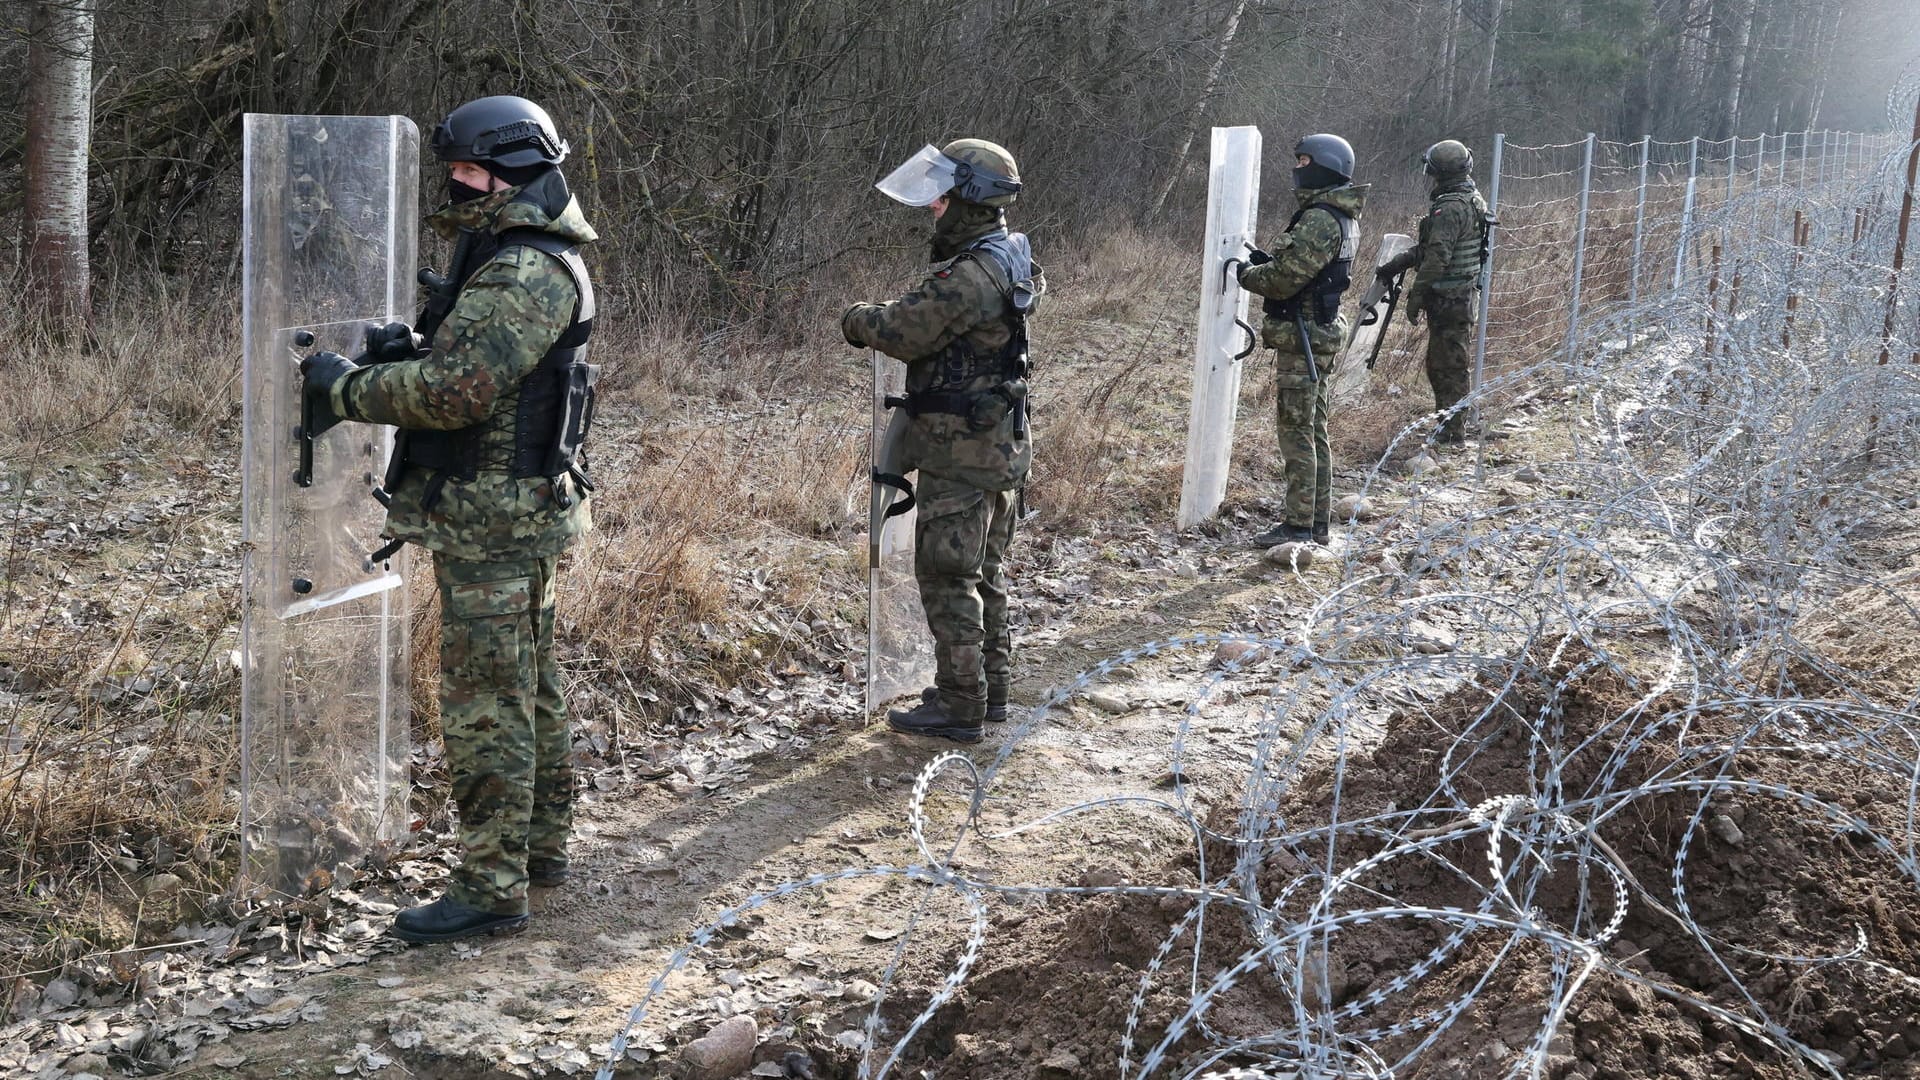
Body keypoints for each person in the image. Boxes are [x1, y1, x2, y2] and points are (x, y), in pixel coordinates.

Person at [298, 95, 599, 943]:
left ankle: (491, 886)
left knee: (487, 703)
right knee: (529, 685)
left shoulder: (525, 268)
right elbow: (474, 369)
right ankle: (537, 851)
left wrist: (345, 390)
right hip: (512, 512)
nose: (458, 186)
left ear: (512, 172)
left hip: (494, 520)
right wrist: (413, 349)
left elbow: (454, 395)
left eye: (469, 172)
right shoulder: (519, 254)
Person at [842, 139, 1044, 743]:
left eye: (944, 196)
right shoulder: (1009, 254)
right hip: (996, 443)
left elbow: (904, 331)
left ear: (971, 198)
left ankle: (961, 704)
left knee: (948, 573)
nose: (934, 207)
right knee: (985, 570)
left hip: (963, 450)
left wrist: (856, 317)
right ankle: (990, 690)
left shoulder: (973, 273)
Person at [1235, 134, 1368, 548]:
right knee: (1314, 429)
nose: (1298, 167)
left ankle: (1299, 524)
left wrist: (1246, 275)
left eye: (1304, 160)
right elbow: (1303, 271)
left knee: (1297, 433)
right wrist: (1268, 263)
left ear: (1324, 165)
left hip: (1305, 338)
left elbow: (1283, 281)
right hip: (1317, 333)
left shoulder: (1321, 218)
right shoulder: (1338, 214)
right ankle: (1317, 522)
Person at [1377, 139, 1493, 443]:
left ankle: (1451, 432)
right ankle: (1450, 426)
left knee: (1448, 366)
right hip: (1459, 293)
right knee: (1445, 363)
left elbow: (1439, 256)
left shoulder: (1451, 206)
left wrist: (1416, 295)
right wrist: (1400, 262)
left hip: (1450, 298)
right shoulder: (1468, 196)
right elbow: (1439, 248)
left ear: (1438, 171)